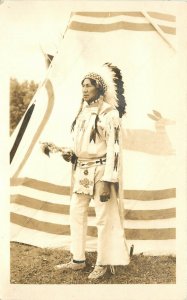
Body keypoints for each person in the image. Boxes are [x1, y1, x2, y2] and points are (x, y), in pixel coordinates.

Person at [48, 63, 130, 280]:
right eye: (82, 86)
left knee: (104, 218)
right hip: (82, 171)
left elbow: (114, 148)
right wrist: (72, 154)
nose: (84, 89)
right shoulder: (83, 112)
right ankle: (78, 259)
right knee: (76, 212)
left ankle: (103, 262)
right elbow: (84, 144)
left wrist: (107, 180)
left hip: (101, 170)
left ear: (100, 89)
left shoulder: (110, 114)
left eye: (89, 86)